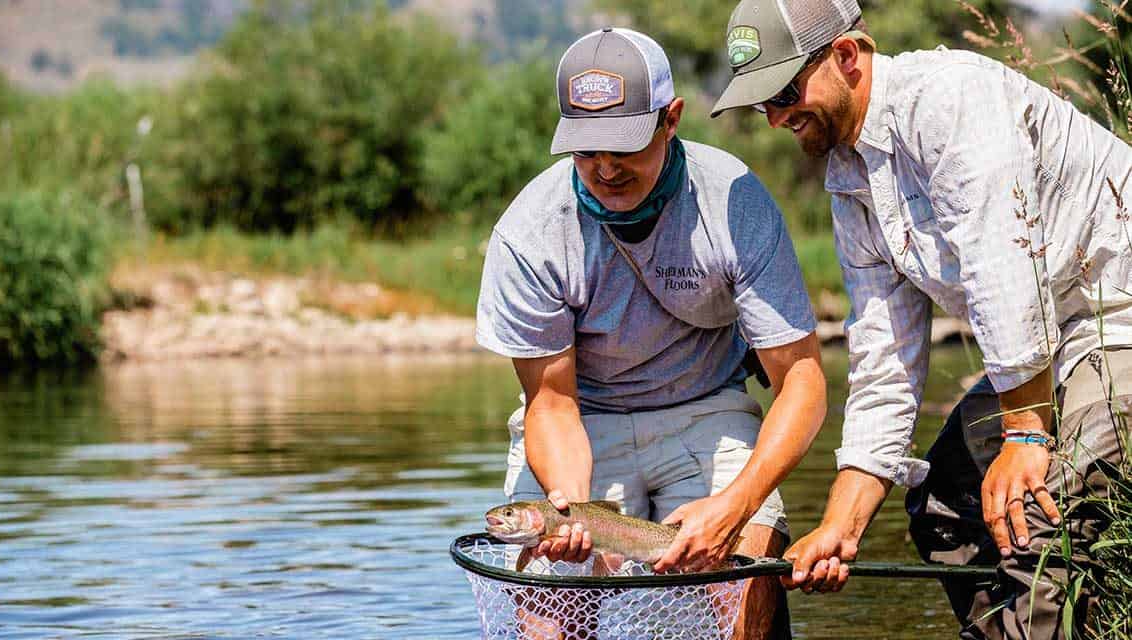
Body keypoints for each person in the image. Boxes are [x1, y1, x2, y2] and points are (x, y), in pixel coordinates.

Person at [711, 0, 1132, 637]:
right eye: (760, 104)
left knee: (1032, 514)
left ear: (847, 57)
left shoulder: (951, 100)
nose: (774, 119)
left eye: (785, 92)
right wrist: (841, 526)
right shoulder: (849, 181)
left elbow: (1003, 266)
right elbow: (884, 365)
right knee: (944, 504)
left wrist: (1026, 437)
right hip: (1052, 346)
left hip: (1116, 321)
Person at [475, 26, 827, 639]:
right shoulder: (529, 232)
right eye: (586, 151)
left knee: (744, 582)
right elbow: (552, 405)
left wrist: (735, 506)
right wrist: (568, 511)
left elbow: (801, 380)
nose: (606, 169)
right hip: (586, 422)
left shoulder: (732, 201)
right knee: (551, 614)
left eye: (624, 145)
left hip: (707, 410)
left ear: (671, 120)